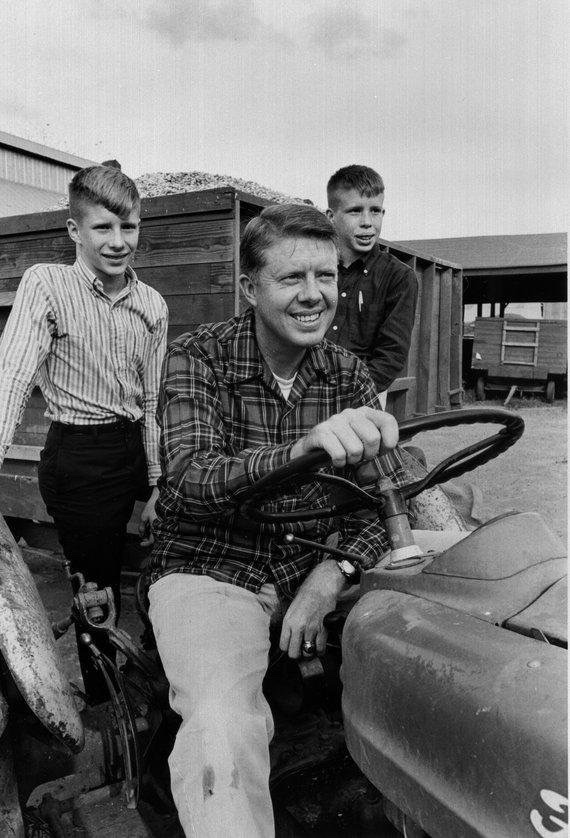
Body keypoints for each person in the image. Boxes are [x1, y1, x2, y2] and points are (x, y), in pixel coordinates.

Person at [147, 203, 429, 837]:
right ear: (250, 287)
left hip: (311, 559)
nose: (314, 296)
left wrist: (331, 572)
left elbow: (381, 501)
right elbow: (190, 481)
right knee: (221, 720)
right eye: (292, 279)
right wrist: (303, 451)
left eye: (326, 278)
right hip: (210, 565)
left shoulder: (347, 372)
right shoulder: (198, 358)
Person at [0, 165, 168, 701]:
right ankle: (106, 699)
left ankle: (166, 677)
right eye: (103, 228)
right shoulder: (46, 284)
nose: (119, 243)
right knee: (96, 587)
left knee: (167, 561)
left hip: (136, 447)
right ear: (75, 231)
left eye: (130, 227)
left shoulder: (153, 305)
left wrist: (159, 482)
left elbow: (152, 399)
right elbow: (13, 377)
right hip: (80, 456)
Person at [325, 164, 418, 408]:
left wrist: (350, 400)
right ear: (330, 216)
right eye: (355, 211)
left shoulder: (399, 277)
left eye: (375, 211)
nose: (368, 222)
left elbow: (391, 355)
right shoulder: (314, 269)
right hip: (303, 395)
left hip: (362, 402)